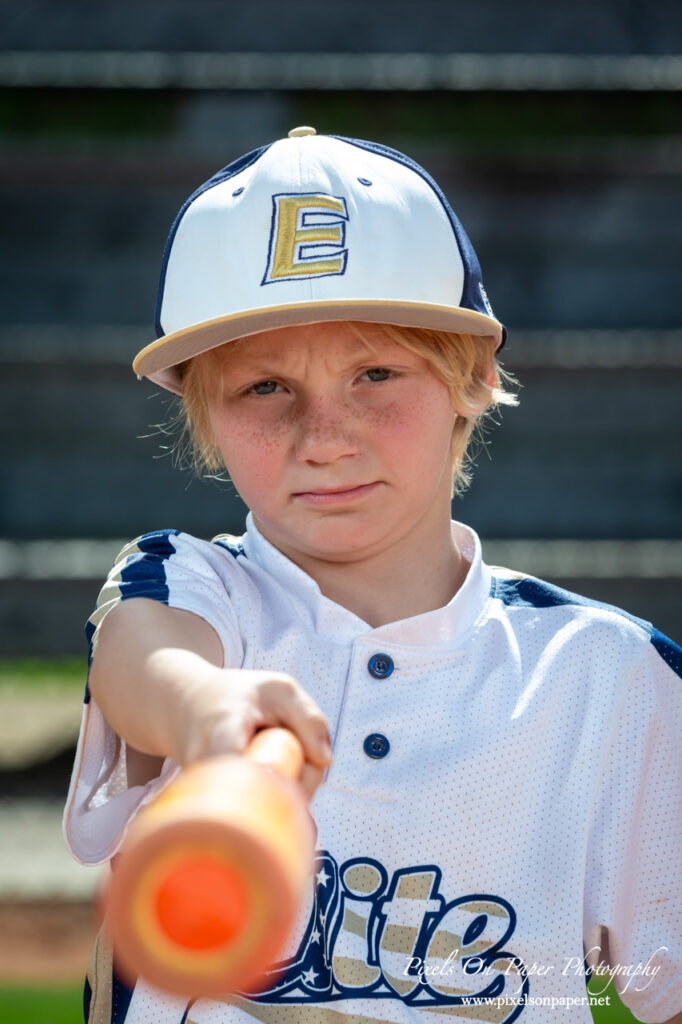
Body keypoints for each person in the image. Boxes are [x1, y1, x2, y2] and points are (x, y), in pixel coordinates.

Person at [63, 127, 682, 1024]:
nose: (325, 436)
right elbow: (141, 658)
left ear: (471, 375)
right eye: (264, 389)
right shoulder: (196, 590)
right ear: (204, 411)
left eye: (376, 372)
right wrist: (207, 712)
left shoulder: (607, 680)